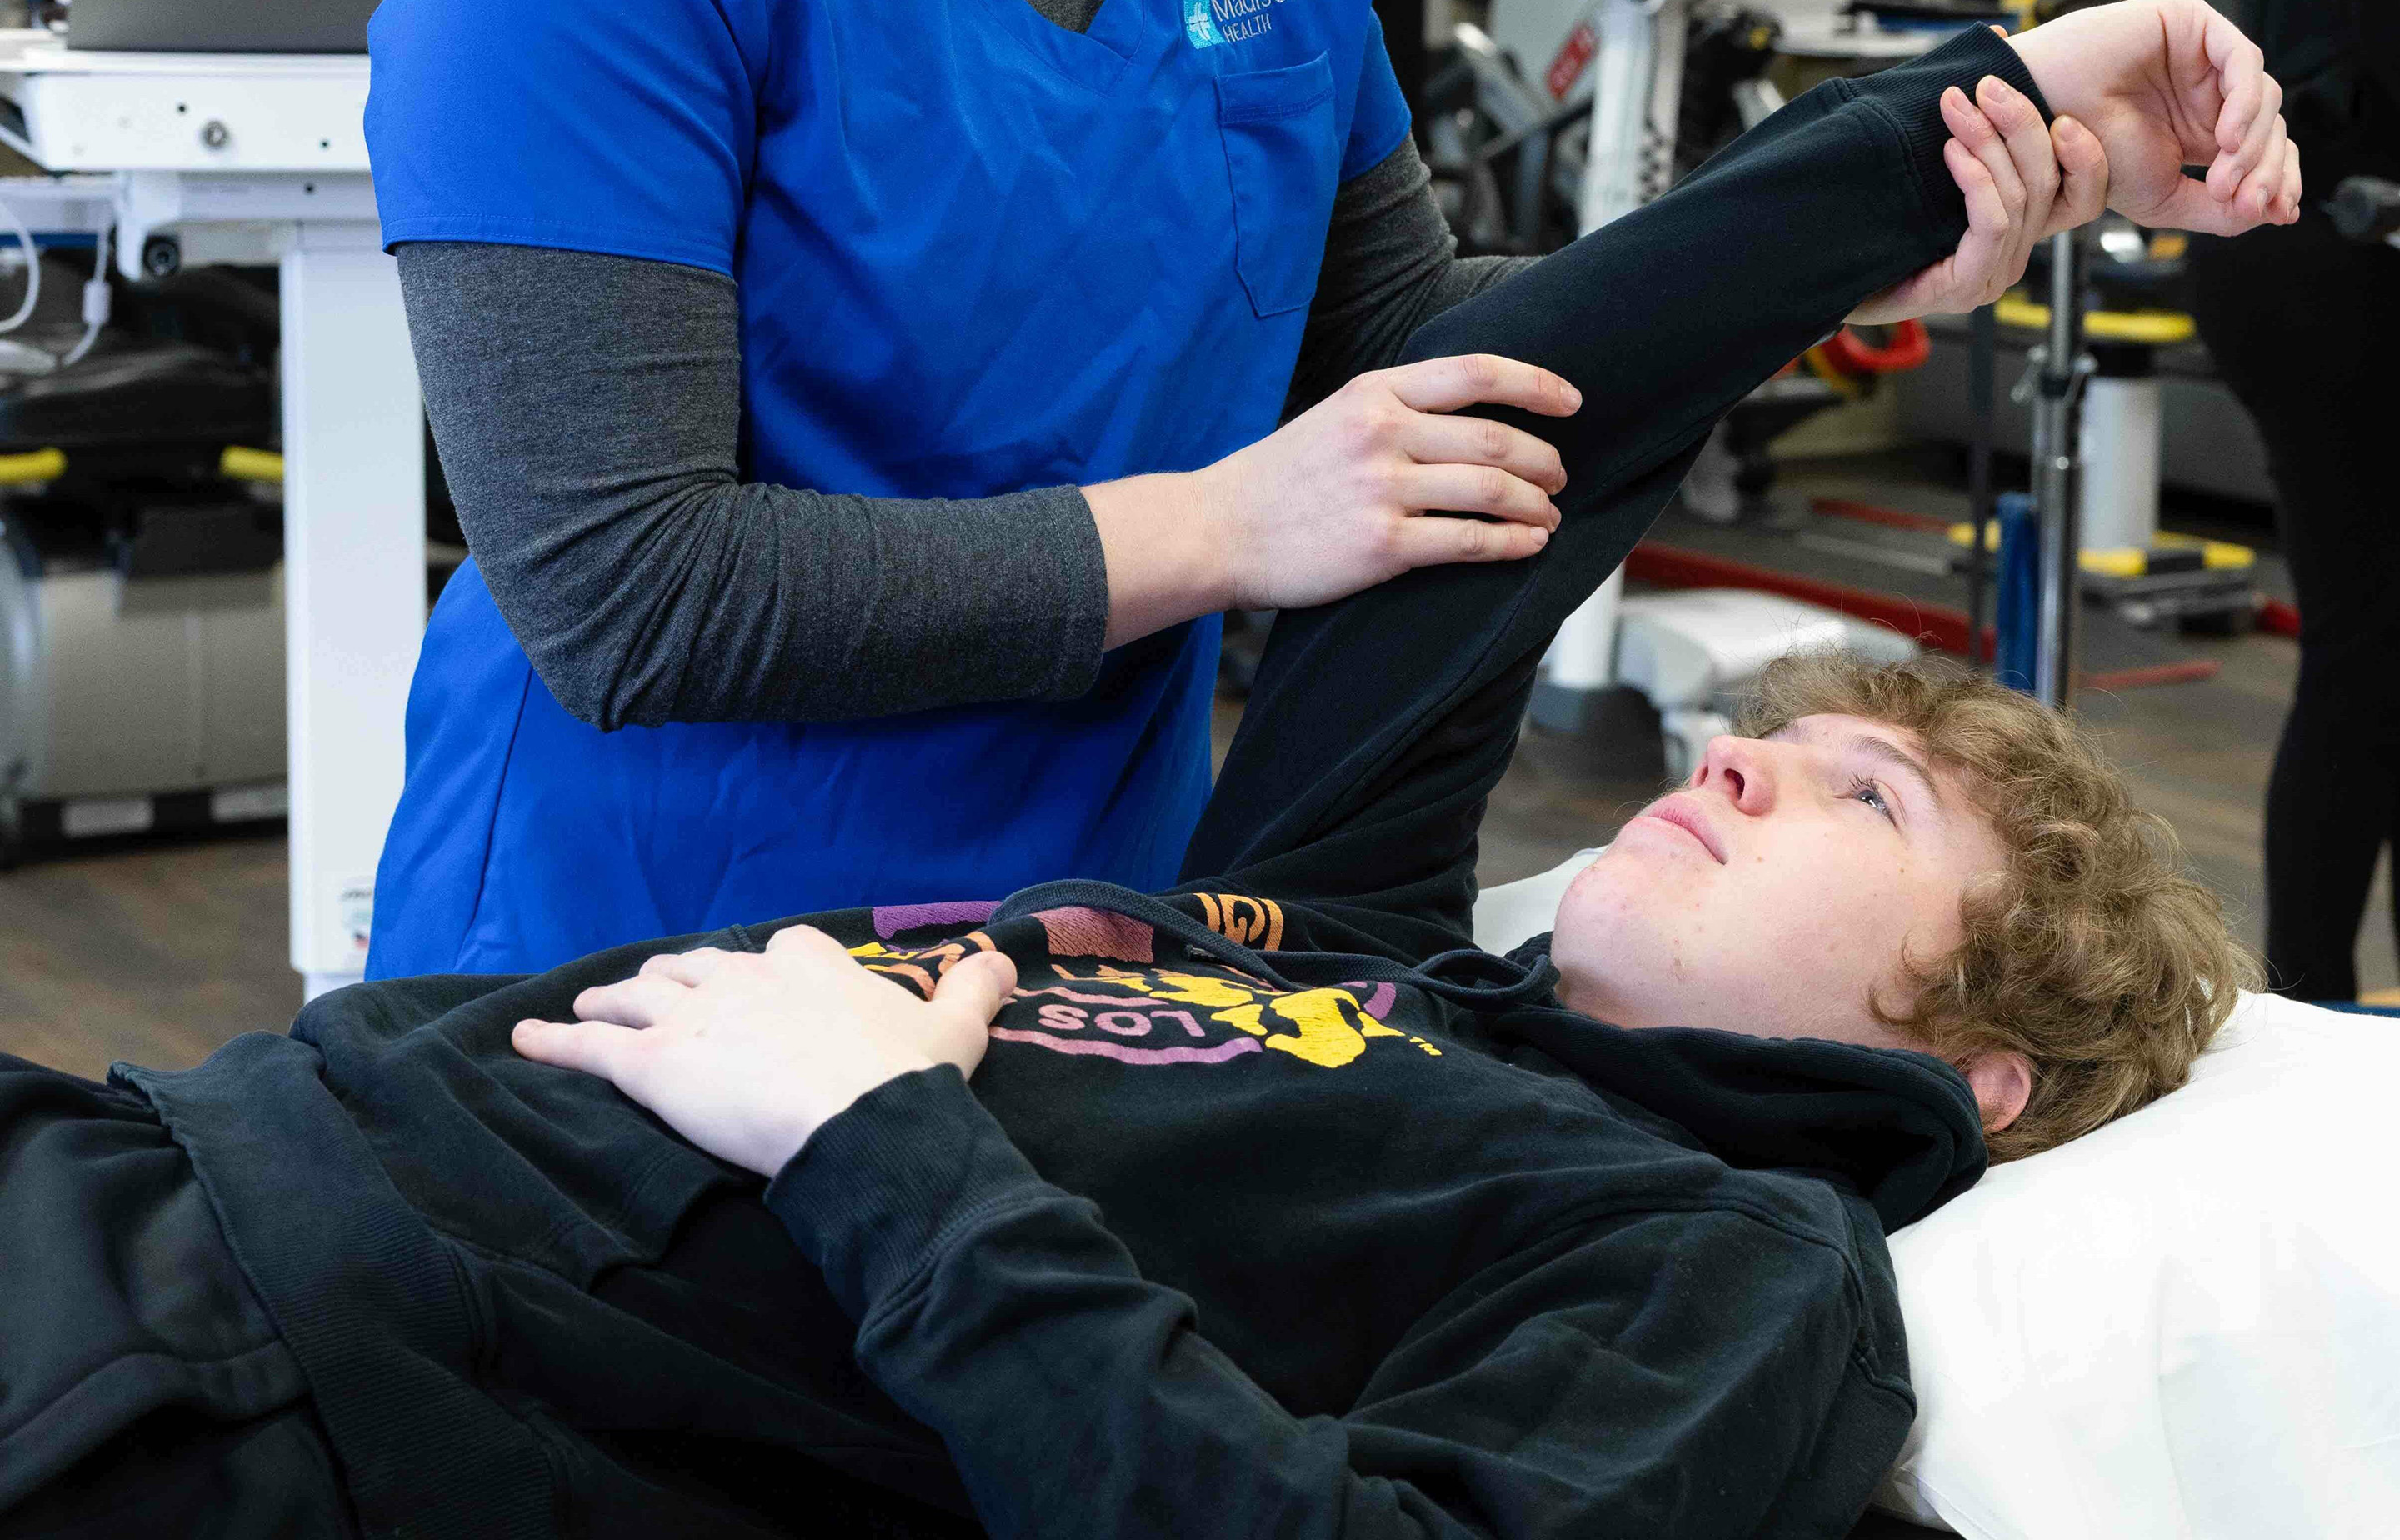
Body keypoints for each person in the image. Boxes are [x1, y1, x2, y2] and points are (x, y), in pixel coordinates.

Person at [1, 13, 2291, 1537]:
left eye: (1861, 803)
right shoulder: (1377, 939)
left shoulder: (1713, 1248)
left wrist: (1982, 148)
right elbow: (632, 593)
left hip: (367, 1342)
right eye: (1783, 742)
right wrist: (1225, 529)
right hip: (413, 1079)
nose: (1743, 771)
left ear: (1976, 1072)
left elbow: (1495, 414)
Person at [362, 0, 2121, 979]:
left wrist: (1835, 272)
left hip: (1092, 928)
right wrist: (1226, 528)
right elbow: (634, 593)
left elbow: (1423, 351)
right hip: (649, 937)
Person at [2187, 0, 2400, 1001]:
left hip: (2289, 238)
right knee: (2365, 651)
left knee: (2369, 650)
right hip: (2336, 243)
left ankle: (2319, 1007)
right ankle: (2315, 1007)